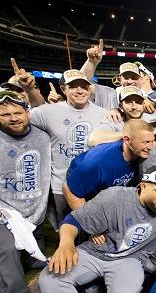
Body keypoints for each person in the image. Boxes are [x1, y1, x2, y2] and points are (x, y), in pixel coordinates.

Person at [29, 69, 106, 228]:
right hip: (62, 186)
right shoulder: (47, 112)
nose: (80, 91)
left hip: (94, 184)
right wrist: (29, 90)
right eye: (73, 87)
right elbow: (17, 119)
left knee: (95, 229)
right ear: (63, 89)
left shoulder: (104, 114)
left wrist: (117, 111)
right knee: (67, 228)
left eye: (84, 86)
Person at [0, 90, 51, 293]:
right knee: (7, 250)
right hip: (4, 211)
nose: (13, 118)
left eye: (17, 112)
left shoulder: (42, 136)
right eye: (5, 114)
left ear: (28, 113)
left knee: (34, 252)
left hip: (34, 210)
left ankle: (32, 259)